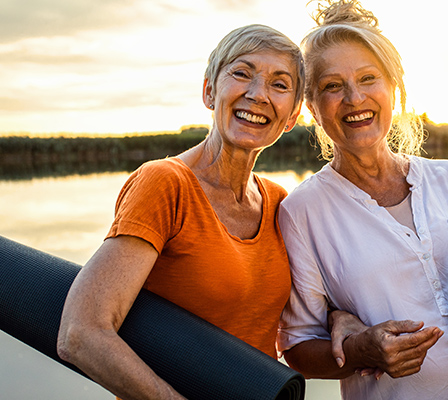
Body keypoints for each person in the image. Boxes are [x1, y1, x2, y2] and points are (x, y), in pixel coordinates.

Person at [276, 1, 448, 398]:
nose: (354, 98)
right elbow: (297, 347)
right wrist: (361, 350)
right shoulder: (301, 212)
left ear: (392, 89)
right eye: (332, 86)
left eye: (368, 78)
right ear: (311, 106)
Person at [56, 24, 304, 400]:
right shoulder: (165, 184)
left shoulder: (278, 202)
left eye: (279, 84)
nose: (258, 95)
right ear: (209, 91)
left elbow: (305, 316)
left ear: (293, 116)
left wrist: (344, 322)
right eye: (241, 73)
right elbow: (81, 332)